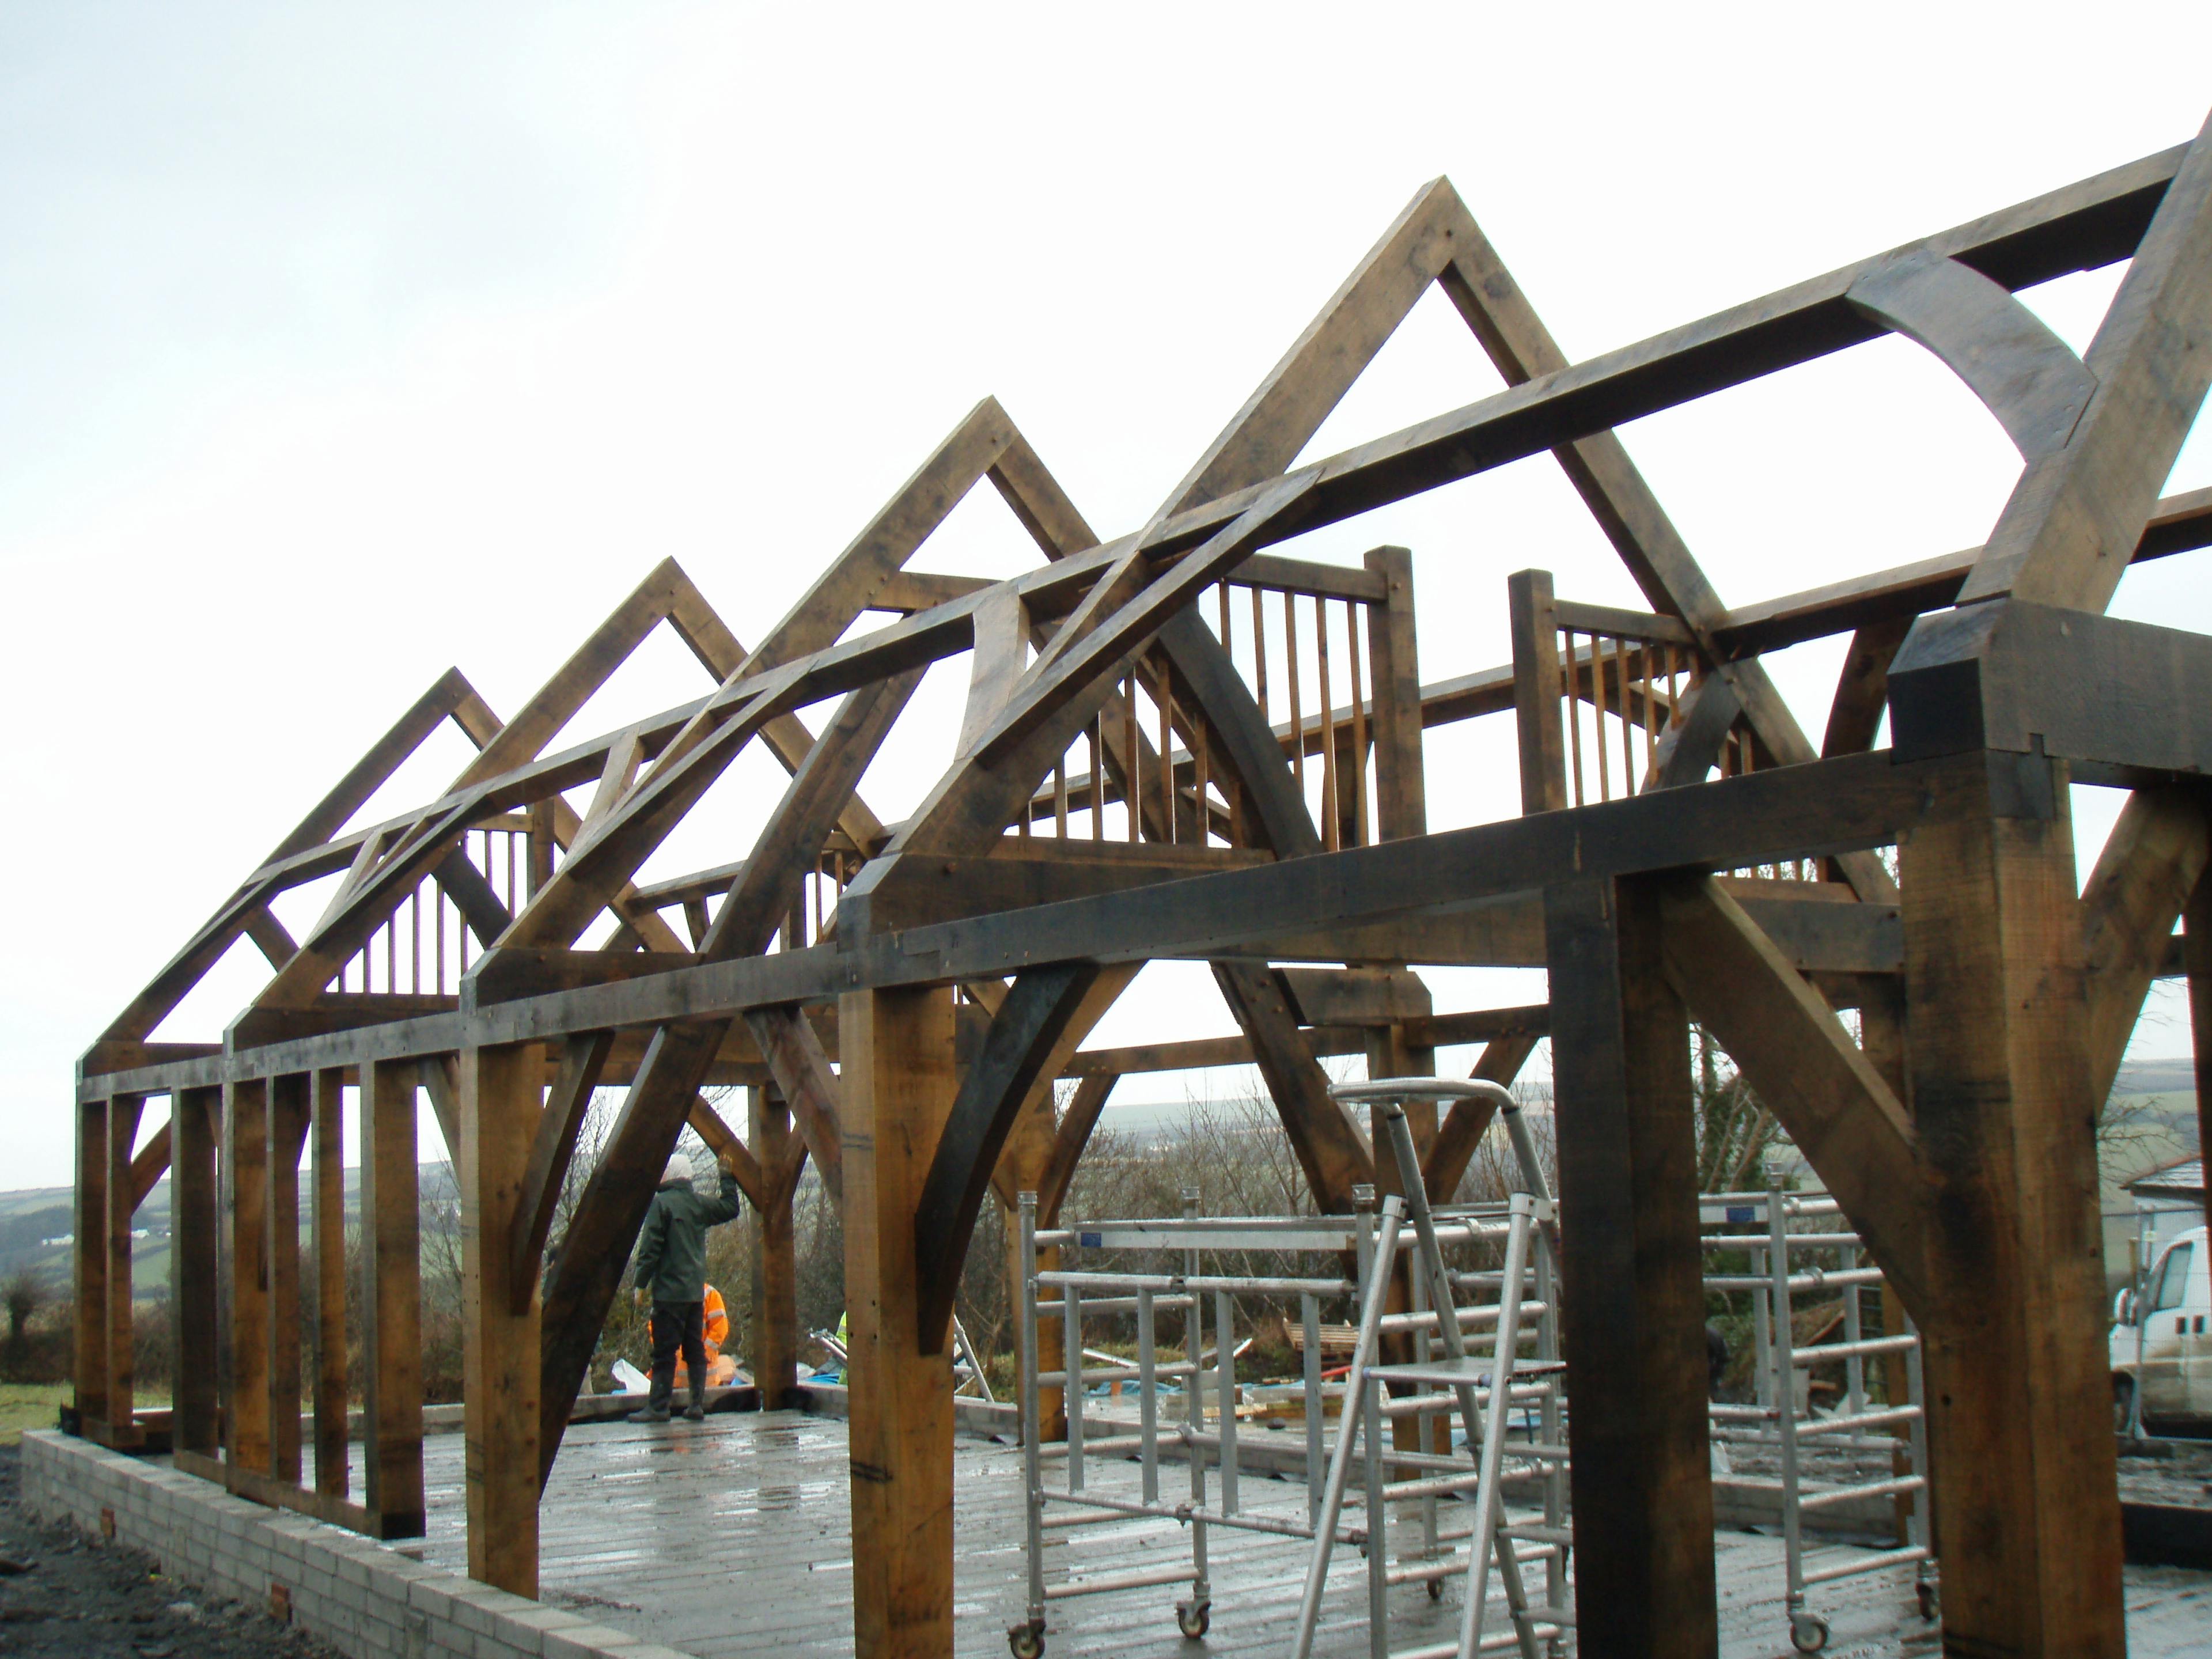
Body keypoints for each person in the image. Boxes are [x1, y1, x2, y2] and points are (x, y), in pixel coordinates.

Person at [628, 1152, 742, 1423]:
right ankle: (696, 1406)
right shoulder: (698, 1204)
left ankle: (658, 1409)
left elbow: (650, 1248)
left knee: (665, 1352)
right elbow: (730, 1208)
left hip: (669, 1294)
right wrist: (727, 1178)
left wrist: (641, 1284)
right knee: (695, 1350)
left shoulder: (661, 1204)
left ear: (668, 1174)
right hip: (694, 1294)